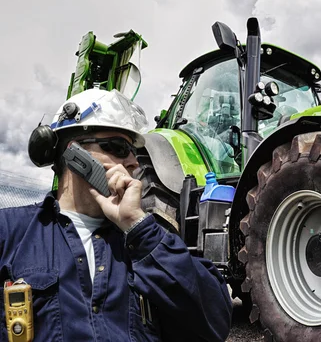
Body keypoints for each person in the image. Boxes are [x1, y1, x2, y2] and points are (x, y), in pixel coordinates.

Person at [0, 88, 232, 341]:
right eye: (119, 147)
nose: (134, 161)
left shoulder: (149, 241)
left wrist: (138, 228)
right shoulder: (10, 232)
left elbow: (215, 324)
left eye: (133, 151)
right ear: (76, 154)